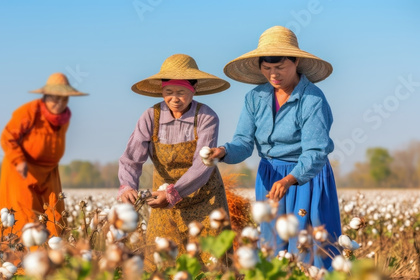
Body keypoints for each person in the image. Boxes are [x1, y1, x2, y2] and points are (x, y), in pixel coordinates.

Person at [208, 26, 341, 269]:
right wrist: (224, 152)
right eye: (267, 68)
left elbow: (315, 152)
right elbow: (244, 143)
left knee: (307, 248)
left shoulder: (313, 99)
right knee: (272, 246)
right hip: (269, 176)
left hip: (305, 177)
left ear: (296, 61)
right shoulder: (254, 98)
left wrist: (290, 179)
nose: (273, 74)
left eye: (280, 67)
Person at [118, 54, 231, 271]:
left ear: (194, 89)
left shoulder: (206, 117)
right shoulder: (151, 116)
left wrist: (174, 192)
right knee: (163, 263)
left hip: (204, 198)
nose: (174, 98)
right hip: (162, 200)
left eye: (181, 92)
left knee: (212, 263)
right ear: (162, 91)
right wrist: (127, 186)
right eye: (169, 92)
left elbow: (202, 164)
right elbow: (132, 158)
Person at [0, 73, 88, 242]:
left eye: (64, 99)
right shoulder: (29, 111)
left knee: (55, 215)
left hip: (50, 170)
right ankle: (20, 264)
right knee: (24, 217)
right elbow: (8, 137)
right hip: (22, 169)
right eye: (55, 99)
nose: (60, 103)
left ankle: (53, 259)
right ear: (45, 97)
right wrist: (19, 160)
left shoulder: (64, 118)